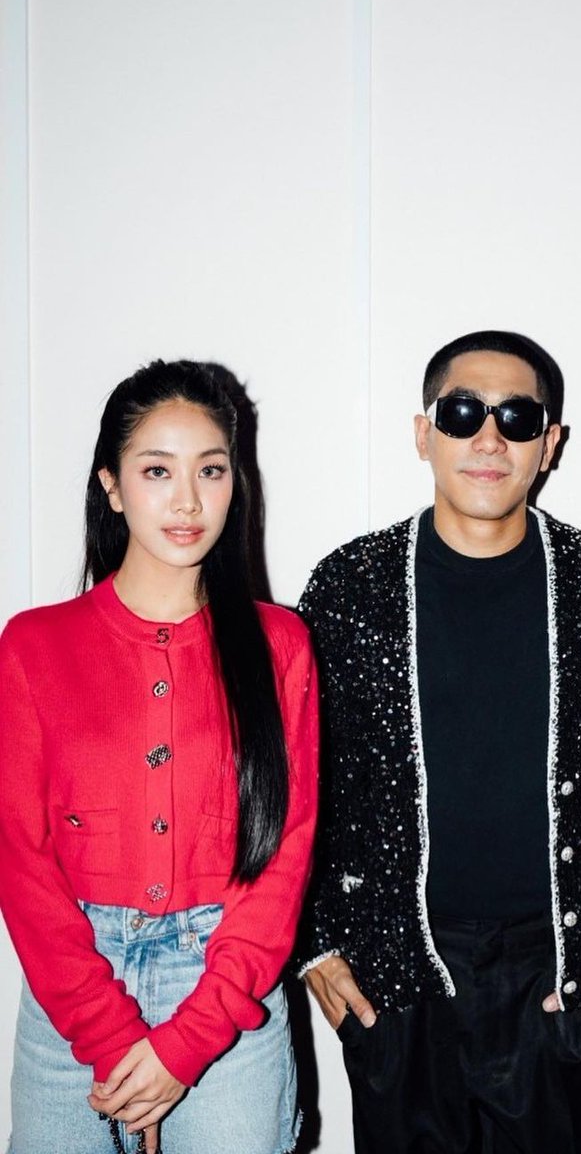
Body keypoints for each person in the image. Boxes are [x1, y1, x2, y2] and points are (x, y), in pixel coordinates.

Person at [296, 330, 581, 1153]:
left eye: (517, 418)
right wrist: (315, 946)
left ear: (549, 443)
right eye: (462, 413)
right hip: (396, 974)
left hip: (559, 973)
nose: (489, 438)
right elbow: (301, 781)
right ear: (423, 433)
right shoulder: (350, 586)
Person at [0, 360, 318, 1154]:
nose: (187, 501)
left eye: (210, 470)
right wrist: (105, 1030)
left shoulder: (279, 644)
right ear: (110, 486)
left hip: (225, 989)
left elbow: (285, 854)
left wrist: (187, 1043)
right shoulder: (34, 644)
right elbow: (20, 858)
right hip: (72, 984)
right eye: (156, 471)